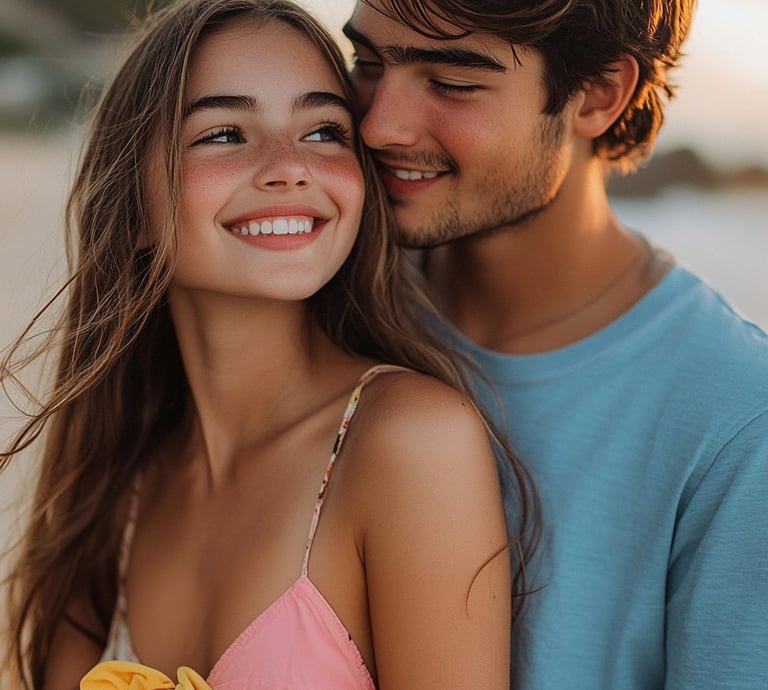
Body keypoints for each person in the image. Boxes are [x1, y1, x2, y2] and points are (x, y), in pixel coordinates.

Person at [0, 1, 539, 688]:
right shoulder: (120, 485)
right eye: (225, 134)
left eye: (322, 131)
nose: (289, 168)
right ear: (133, 205)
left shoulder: (409, 444)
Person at [342, 0, 768, 688]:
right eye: (366, 63)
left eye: (452, 83)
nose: (377, 124)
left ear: (598, 95)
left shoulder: (739, 425)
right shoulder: (322, 306)